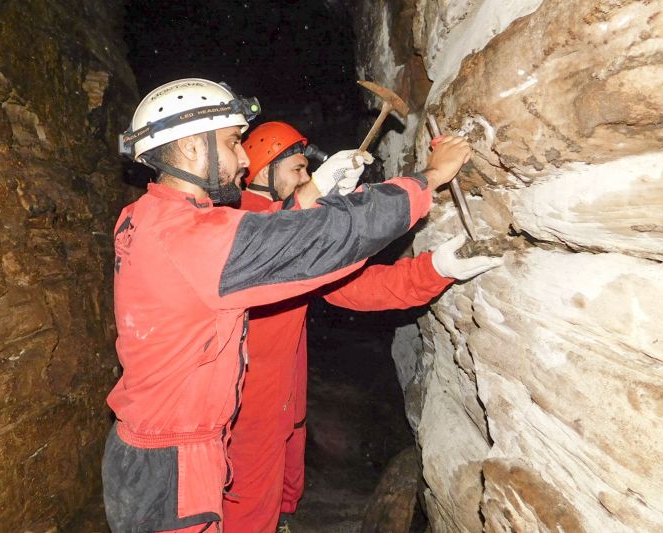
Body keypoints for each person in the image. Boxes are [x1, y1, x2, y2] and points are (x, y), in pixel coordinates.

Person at [103, 78, 475, 533]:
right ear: (189, 150)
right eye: (232, 142)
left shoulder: (146, 217)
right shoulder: (194, 238)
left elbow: (258, 239)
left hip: (153, 446)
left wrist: (310, 196)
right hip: (174, 460)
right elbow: (320, 240)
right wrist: (429, 179)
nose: (243, 160)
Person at [222, 122, 502, 532]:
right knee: (246, 511)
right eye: (298, 169)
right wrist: (429, 178)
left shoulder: (281, 225)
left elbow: (354, 286)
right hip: (247, 412)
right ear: (264, 168)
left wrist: (435, 269)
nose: (306, 180)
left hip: (282, 402)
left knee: (278, 501)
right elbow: (339, 235)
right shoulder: (242, 227)